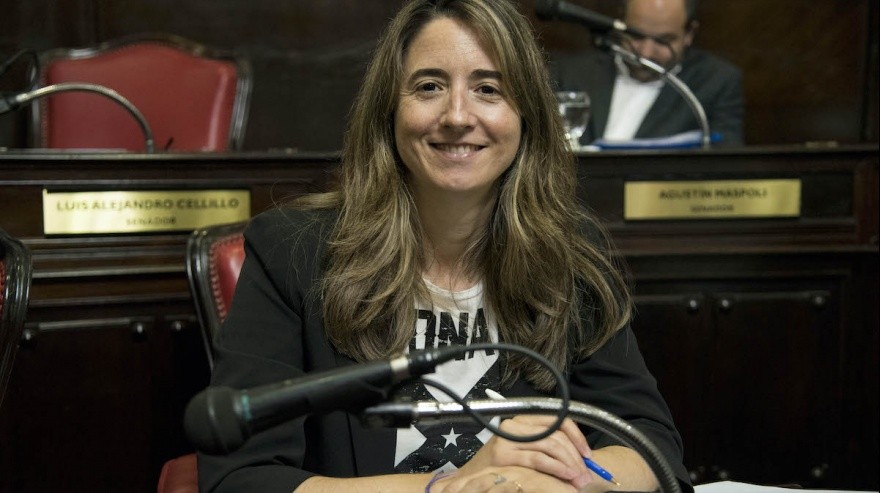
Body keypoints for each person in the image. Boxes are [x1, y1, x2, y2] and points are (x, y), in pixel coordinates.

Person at [198, 0, 692, 492]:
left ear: (527, 115)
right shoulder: (291, 253)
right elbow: (239, 481)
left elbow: (650, 445)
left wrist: (557, 482)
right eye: (429, 87)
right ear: (389, 109)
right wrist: (453, 485)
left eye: (488, 89)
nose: (457, 115)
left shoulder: (572, 254)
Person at [551, 0, 744, 146]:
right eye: (635, 35)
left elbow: (725, 164)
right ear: (620, 22)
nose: (646, 53)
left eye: (663, 41)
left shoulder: (716, 82)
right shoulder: (569, 72)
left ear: (689, 34)